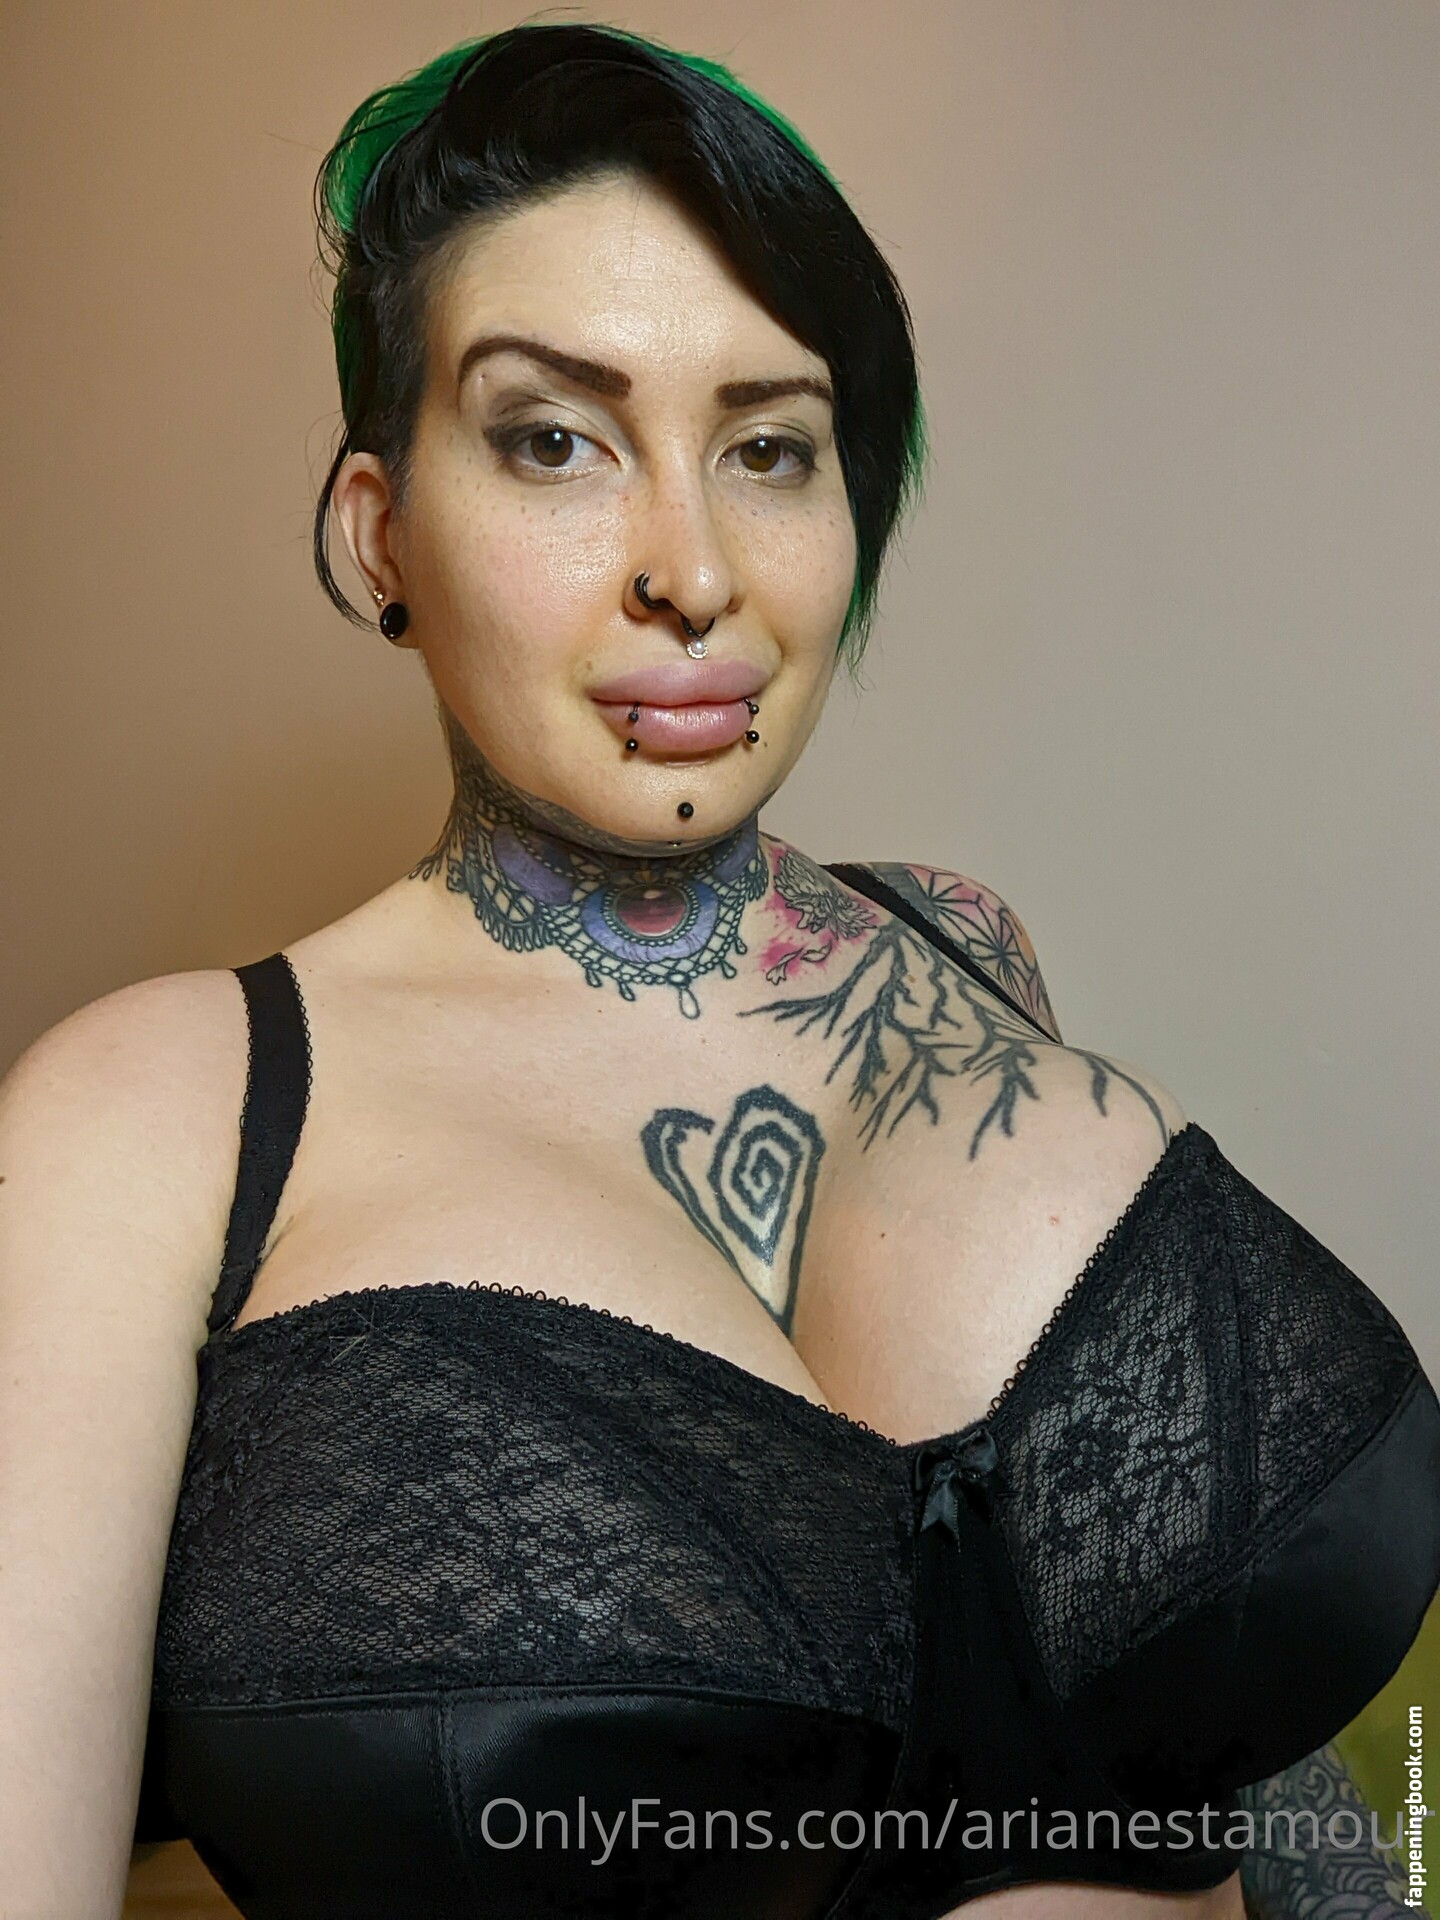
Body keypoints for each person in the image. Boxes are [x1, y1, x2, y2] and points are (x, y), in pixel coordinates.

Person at [1, 22, 1435, 1920]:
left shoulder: (962, 946)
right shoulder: (156, 1121)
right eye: (553, 440)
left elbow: (1202, 1744)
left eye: (769, 448)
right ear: (381, 533)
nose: (692, 567)